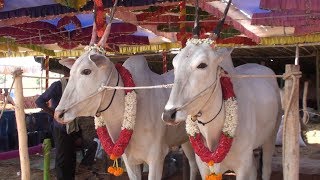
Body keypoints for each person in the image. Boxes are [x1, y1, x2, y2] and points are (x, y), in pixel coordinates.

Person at [35, 68, 97, 180]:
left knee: (72, 156)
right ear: (67, 73)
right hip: (60, 127)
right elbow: (39, 101)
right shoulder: (57, 85)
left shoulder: (77, 86)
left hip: (74, 126)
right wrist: (54, 114)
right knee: (62, 157)